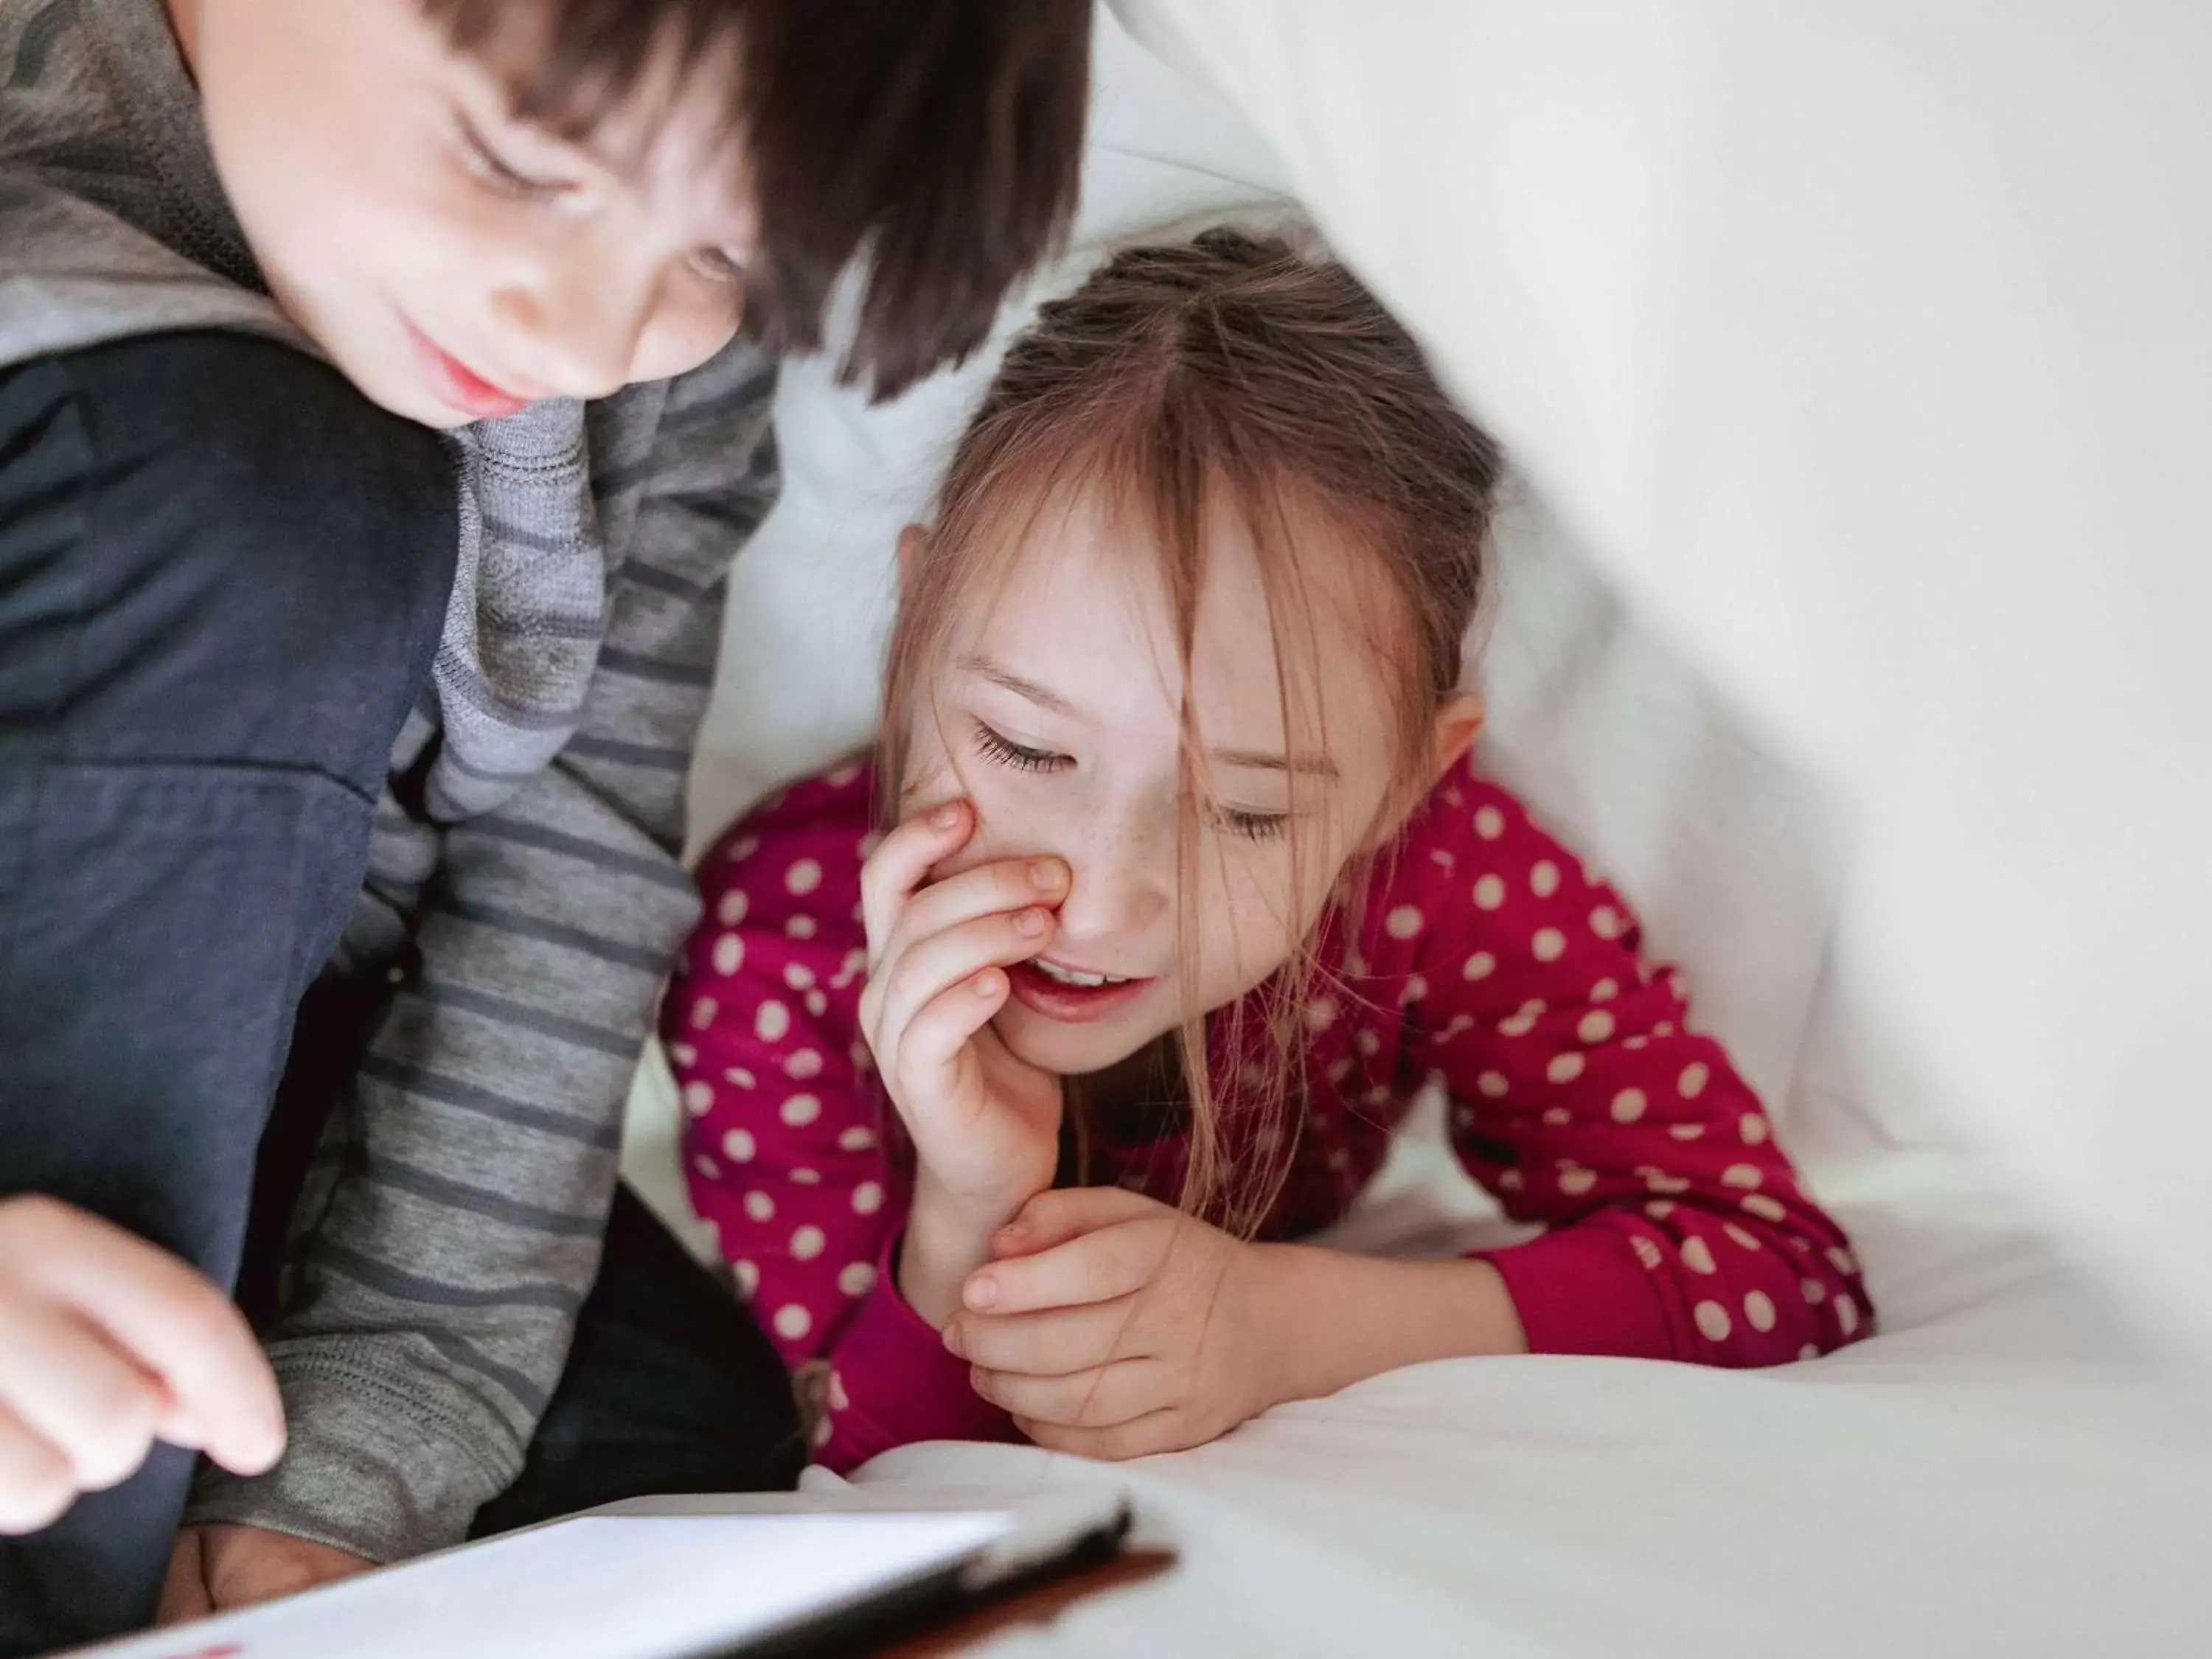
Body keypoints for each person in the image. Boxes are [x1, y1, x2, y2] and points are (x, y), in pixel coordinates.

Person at [0, 0, 1091, 1649]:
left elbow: (564, 876)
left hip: (266, 1045)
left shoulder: (661, 381)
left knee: (670, 1438)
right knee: (281, 500)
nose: (589, 340)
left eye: (727, 256)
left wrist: (347, 1474)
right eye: (520, 163)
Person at [664, 229, 1874, 1471]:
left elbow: (1777, 1270)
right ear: (913, 627)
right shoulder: (781, 949)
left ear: (1410, 779)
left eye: (1247, 812)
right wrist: (970, 1205)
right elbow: (860, 1463)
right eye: (1026, 748)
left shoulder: (1442, 877)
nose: (1099, 905)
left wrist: (1289, 1322)